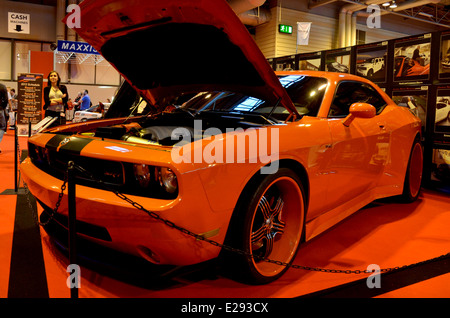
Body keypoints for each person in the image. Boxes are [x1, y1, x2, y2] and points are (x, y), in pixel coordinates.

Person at [0, 84, 9, 154]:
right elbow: (6, 100)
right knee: (2, 127)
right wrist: (3, 107)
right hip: (0, 109)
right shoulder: (2, 86)